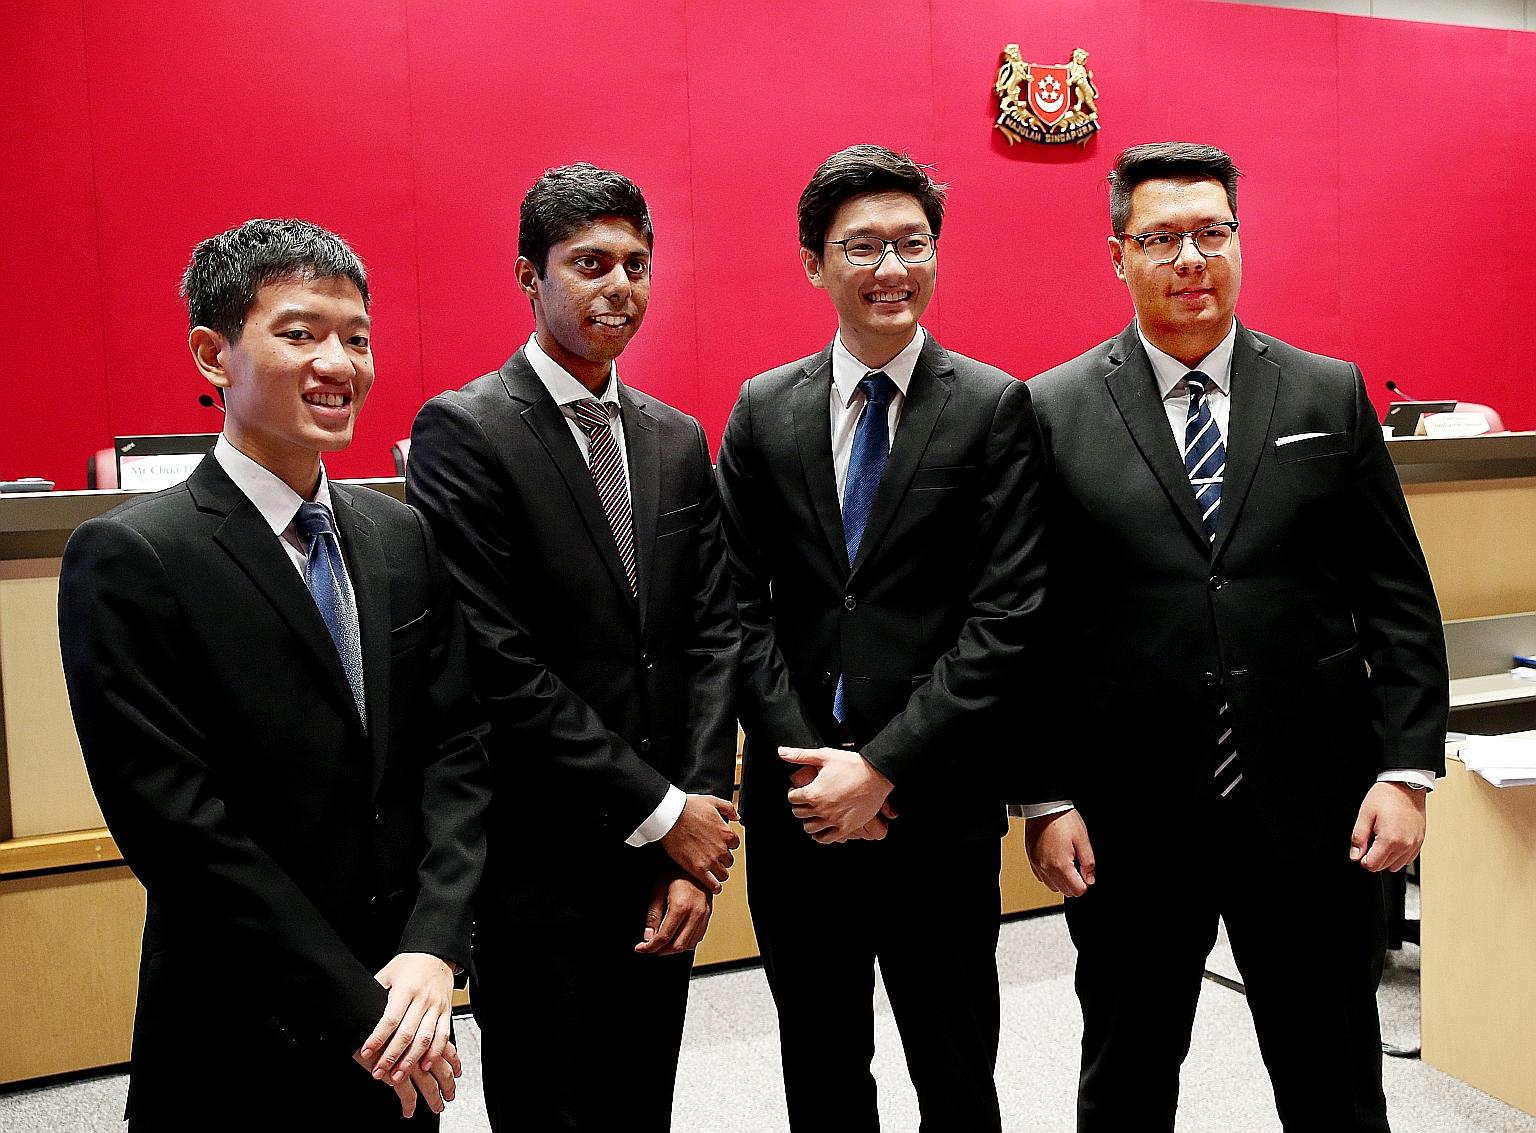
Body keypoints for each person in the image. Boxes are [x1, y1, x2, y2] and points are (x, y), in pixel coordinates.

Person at [1021, 142, 1448, 1132]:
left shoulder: (1325, 393)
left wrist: (1407, 770)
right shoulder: (1050, 410)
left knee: (1336, 1079)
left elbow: (1398, 599)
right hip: (1129, 821)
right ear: (1118, 253)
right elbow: (1028, 624)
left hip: (1316, 812)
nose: (1190, 258)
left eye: (1213, 232)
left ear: (1239, 241)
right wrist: (1044, 794)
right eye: (1161, 237)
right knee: (1126, 1078)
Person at [57, 218, 491, 1130]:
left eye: (358, 337)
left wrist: (433, 947)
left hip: (404, 1015)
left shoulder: (399, 534)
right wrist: (358, 1010)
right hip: (242, 1030)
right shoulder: (134, 554)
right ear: (213, 356)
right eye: (300, 333)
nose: (339, 361)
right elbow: (179, 828)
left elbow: (456, 749)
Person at [715, 144, 1048, 1132]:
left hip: (936, 808)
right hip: (799, 814)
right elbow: (732, 605)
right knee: (821, 1071)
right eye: (862, 246)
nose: (891, 267)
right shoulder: (761, 408)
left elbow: (1007, 616)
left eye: (913, 242)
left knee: (955, 1072)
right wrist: (818, 768)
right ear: (815, 263)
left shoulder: (993, 407)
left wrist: (884, 767)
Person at [406, 164, 740, 1132]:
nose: (619, 285)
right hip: (541, 861)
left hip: (667, 862)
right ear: (529, 274)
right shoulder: (465, 430)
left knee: (643, 1106)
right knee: (550, 1109)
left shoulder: (677, 437)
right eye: (589, 262)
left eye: (637, 263)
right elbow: (499, 661)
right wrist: (659, 807)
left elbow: (711, 633)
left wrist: (698, 831)